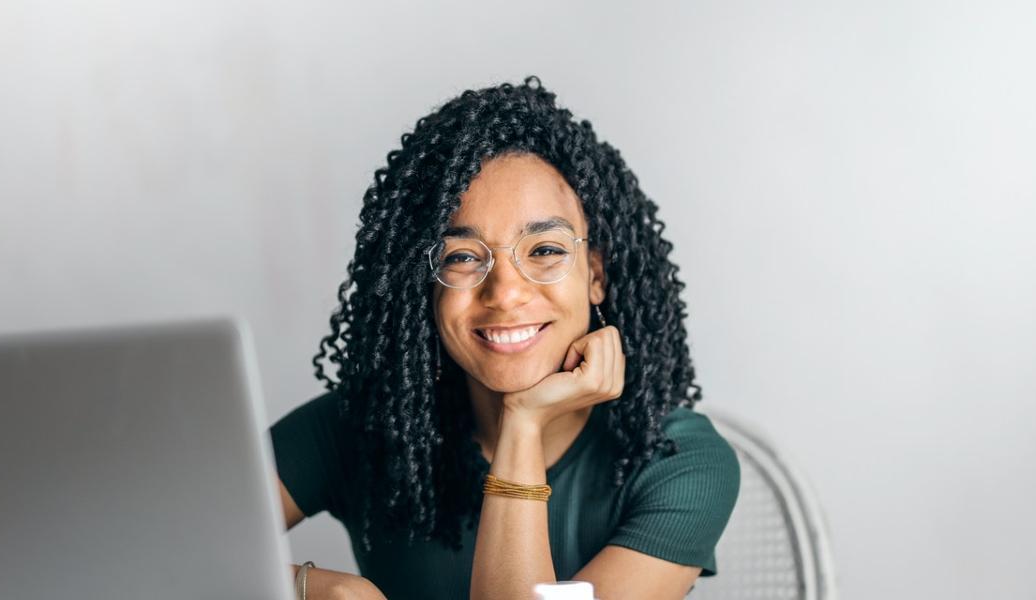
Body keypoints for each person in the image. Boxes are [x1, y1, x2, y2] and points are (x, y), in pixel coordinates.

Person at [270, 76, 740, 600]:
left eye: (544, 250)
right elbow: (167, 543)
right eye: (463, 257)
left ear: (596, 275)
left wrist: (523, 422)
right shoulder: (362, 425)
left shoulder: (678, 459)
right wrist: (310, 588)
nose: (506, 293)